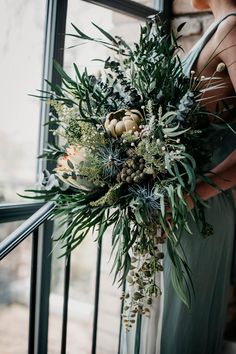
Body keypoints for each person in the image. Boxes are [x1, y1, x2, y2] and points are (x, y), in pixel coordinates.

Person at [120, 1, 236, 353]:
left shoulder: (233, 28)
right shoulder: (223, 26)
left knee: (176, 325)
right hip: (177, 204)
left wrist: (189, 195)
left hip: (195, 208)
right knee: (152, 320)